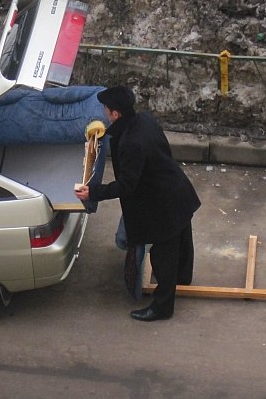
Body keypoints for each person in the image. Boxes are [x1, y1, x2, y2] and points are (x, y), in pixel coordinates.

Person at [75, 86, 201, 321]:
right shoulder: (144, 120)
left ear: (115, 114)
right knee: (183, 238)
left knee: (163, 256)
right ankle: (183, 277)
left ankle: (163, 307)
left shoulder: (132, 143)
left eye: (105, 109)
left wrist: (93, 192)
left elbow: (126, 185)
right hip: (177, 189)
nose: (103, 112)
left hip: (162, 205)